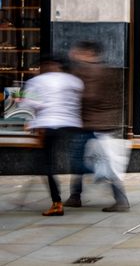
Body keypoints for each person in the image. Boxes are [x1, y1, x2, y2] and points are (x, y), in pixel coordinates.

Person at [64, 41, 130, 212]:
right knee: (95, 161)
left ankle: (118, 199)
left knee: (84, 162)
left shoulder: (87, 71)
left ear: (89, 53)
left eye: (79, 51)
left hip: (90, 123)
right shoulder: (107, 70)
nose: (75, 54)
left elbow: (90, 96)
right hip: (102, 122)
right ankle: (75, 196)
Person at [20, 55, 84, 216]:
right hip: (71, 124)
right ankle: (76, 193)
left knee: (47, 164)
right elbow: (79, 99)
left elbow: (28, 103)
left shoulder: (37, 82)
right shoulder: (73, 81)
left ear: (46, 65)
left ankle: (57, 203)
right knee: (76, 159)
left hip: (48, 125)